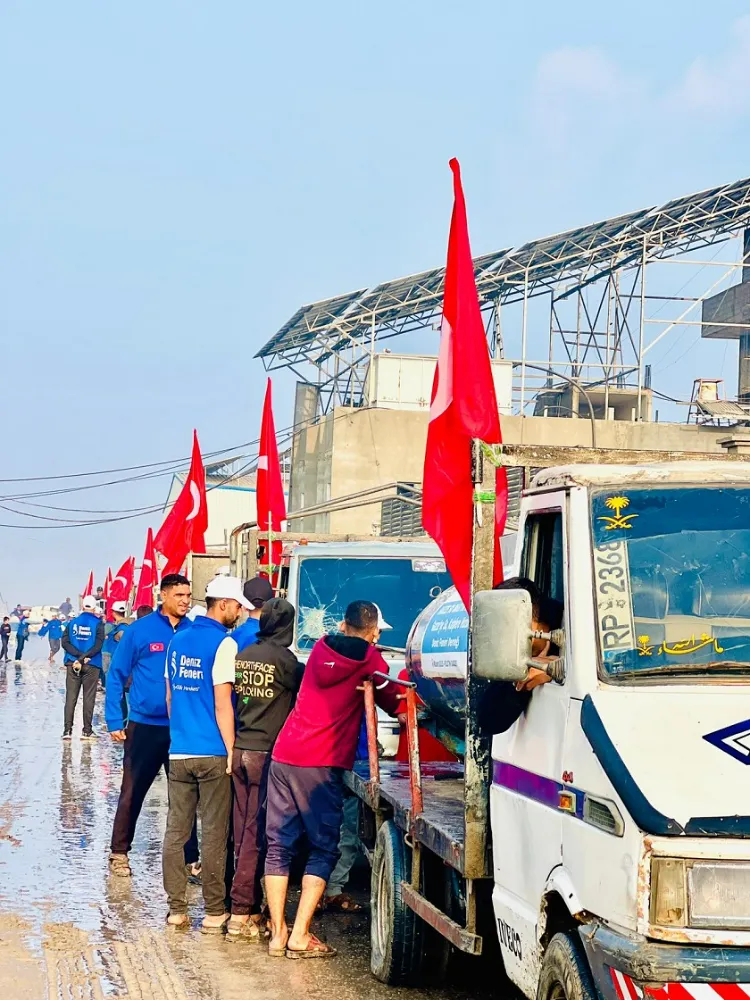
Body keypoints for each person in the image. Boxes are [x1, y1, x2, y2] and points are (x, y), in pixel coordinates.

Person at [264, 600, 400, 959]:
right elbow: (395, 700)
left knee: (278, 844)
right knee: (324, 847)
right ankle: (300, 934)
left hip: (284, 753)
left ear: (342, 624)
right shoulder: (371, 661)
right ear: (373, 633)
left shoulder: (322, 645)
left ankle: (277, 933)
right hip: (320, 765)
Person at [162, 576, 251, 932]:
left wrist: (179, 734)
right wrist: (231, 750)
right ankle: (215, 913)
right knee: (214, 833)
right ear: (223, 604)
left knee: (176, 832)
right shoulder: (224, 643)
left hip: (179, 750)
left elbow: (170, 697)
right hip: (213, 751)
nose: (240, 612)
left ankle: (176, 910)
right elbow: (222, 704)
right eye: (237, 606)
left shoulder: (176, 640)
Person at [105, 574, 196, 877]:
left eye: (188, 595)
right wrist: (115, 719)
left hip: (181, 729)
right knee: (132, 791)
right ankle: (119, 852)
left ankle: (190, 858)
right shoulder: (140, 631)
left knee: (184, 796)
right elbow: (116, 674)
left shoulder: (191, 632)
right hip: (143, 727)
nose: (185, 600)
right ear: (164, 595)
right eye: (179, 595)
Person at [228, 598, 303, 939]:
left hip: (240, 749)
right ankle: (242, 910)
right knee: (257, 834)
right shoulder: (287, 662)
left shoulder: (243, 656)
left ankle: (243, 904)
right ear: (287, 627)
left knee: (241, 829)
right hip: (265, 755)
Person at [478, 577, 564, 736]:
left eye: (511, 628)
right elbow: (488, 721)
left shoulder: (577, 627)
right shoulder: (510, 652)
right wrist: (518, 679)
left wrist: (562, 668)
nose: (508, 638)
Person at [61, 597, 106, 740]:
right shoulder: (98, 624)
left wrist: (77, 657)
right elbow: (98, 646)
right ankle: (87, 730)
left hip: (72, 663)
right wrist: (84, 657)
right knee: (88, 697)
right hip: (91, 664)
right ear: (94, 608)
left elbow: (65, 642)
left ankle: (67, 731)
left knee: (70, 698)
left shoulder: (72, 623)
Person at [101, 602, 130, 683]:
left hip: (114, 659)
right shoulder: (121, 626)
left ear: (113, 612)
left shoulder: (122, 628)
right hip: (115, 659)